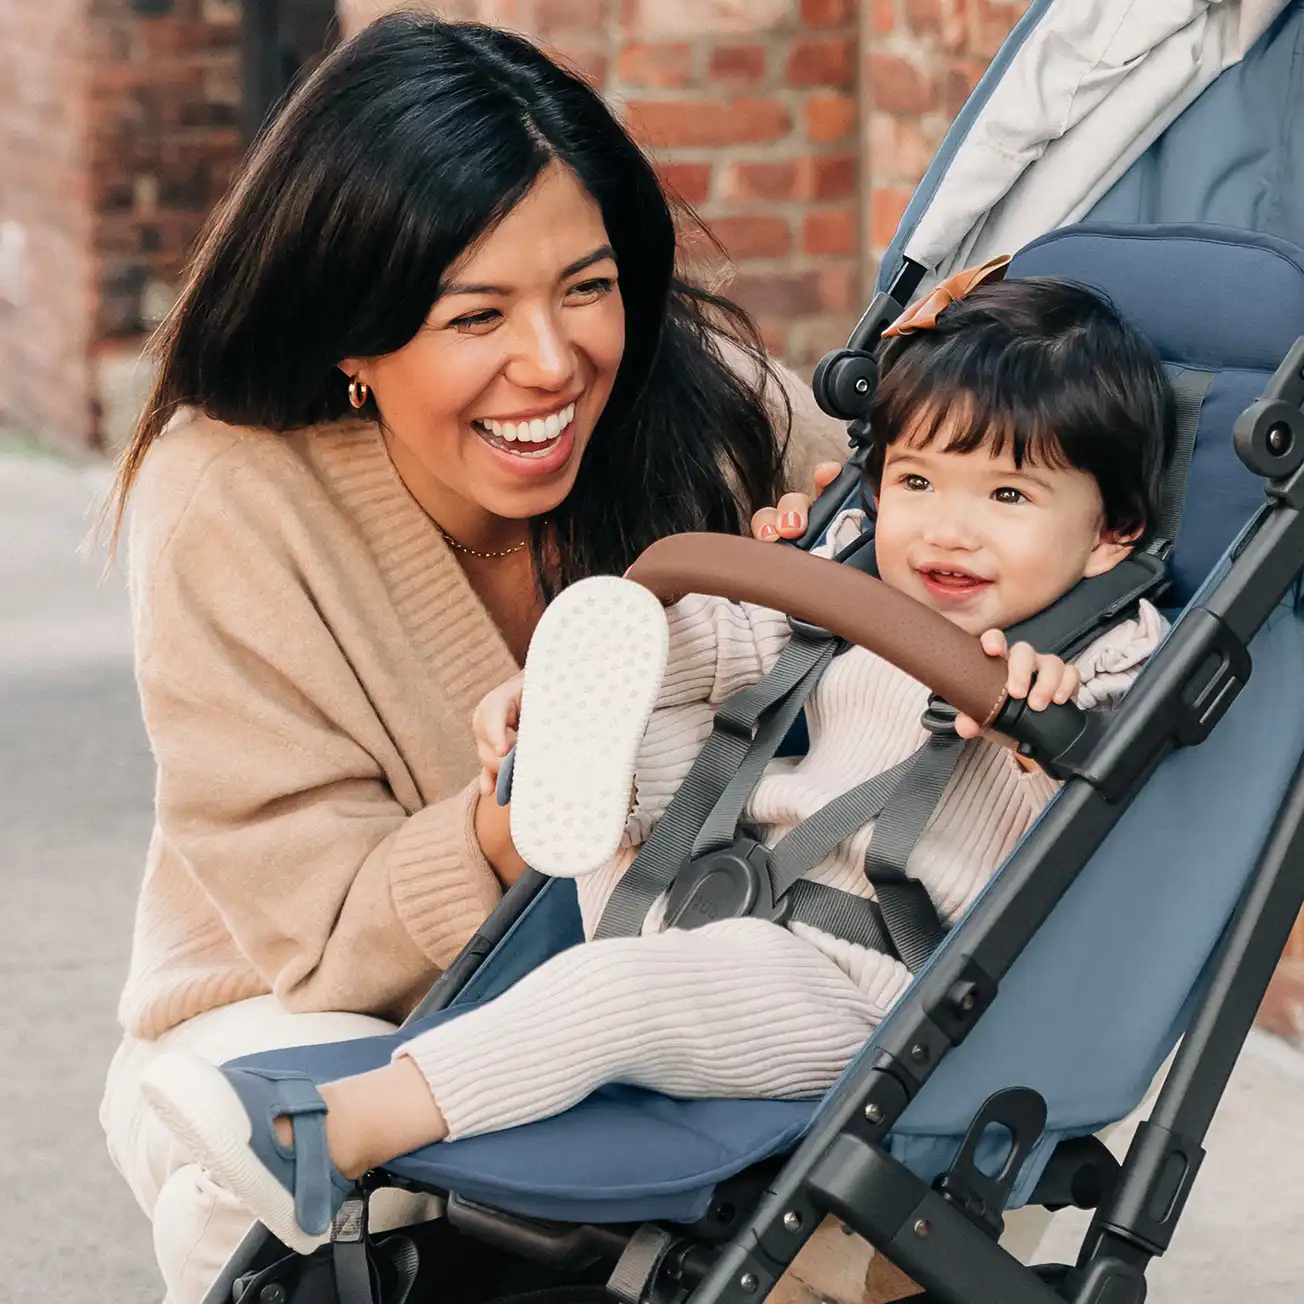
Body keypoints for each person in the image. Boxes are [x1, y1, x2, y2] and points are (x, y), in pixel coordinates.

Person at [138, 268, 1176, 1260]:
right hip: (721, 890)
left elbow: (1118, 832)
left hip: (865, 982)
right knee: (679, 680)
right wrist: (598, 668)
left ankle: (331, 1133)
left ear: (1108, 533)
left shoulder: (1101, 659)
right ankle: (572, 725)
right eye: (914, 478)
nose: (944, 526)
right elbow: (738, 645)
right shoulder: (866, 568)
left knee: (618, 993)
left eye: (1004, 494)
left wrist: (1046, 723)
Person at [97, 13, 848, 1302]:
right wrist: (514, 817)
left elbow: (906, 529)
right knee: (266, 1166)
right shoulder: (228, 496)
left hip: (650, 982)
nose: (551, 364)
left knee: (844, 1181)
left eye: (587, 287)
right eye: (473, 314)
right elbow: (326, 939)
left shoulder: (699, 401)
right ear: (355, 332)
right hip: (325, 1000)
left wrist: (863, 542)